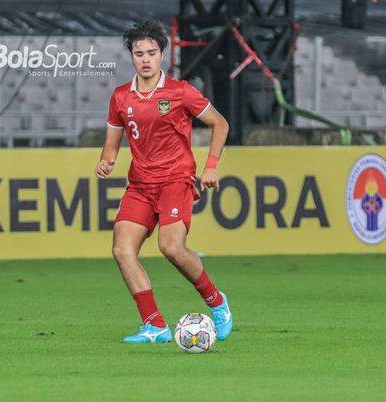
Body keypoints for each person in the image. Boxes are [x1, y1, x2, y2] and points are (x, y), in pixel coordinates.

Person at [94, 20, 233, 344]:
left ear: (161, 56)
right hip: (140, 185)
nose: (145, 59)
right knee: (122, 250)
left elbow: (220, 124)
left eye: (151, 53)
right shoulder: (120, 98)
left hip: (175, 179)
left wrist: (211, 166)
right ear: (132, 56)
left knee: (171, 246)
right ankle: (154, 325)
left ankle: (217, 301)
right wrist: (105, 162)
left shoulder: (180, 91)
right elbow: (112, 146)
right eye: (139, 53)